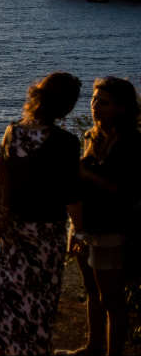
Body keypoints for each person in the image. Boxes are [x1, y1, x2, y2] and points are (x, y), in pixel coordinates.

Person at [0, 71, 82, 355]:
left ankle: (3, 345)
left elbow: (2, 178)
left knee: (4, 289)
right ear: (66, 106)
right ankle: (33, 347)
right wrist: (80, 231)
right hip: (47, 233)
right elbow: (71, 195)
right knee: (39, 298)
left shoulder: (12, 132)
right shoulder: (66, 143)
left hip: (13, 228)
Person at [68, 77, 141, 356]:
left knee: (112, 299)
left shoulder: (132, 143)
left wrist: (85, 173)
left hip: (113, 228)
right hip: (86, 225)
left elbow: (125, 190)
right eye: (94, 99)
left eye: (104, 102)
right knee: (92, 290)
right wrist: (77, 228)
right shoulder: (91, 136)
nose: (95, 105)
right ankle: (93, 345)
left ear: (122, 108)